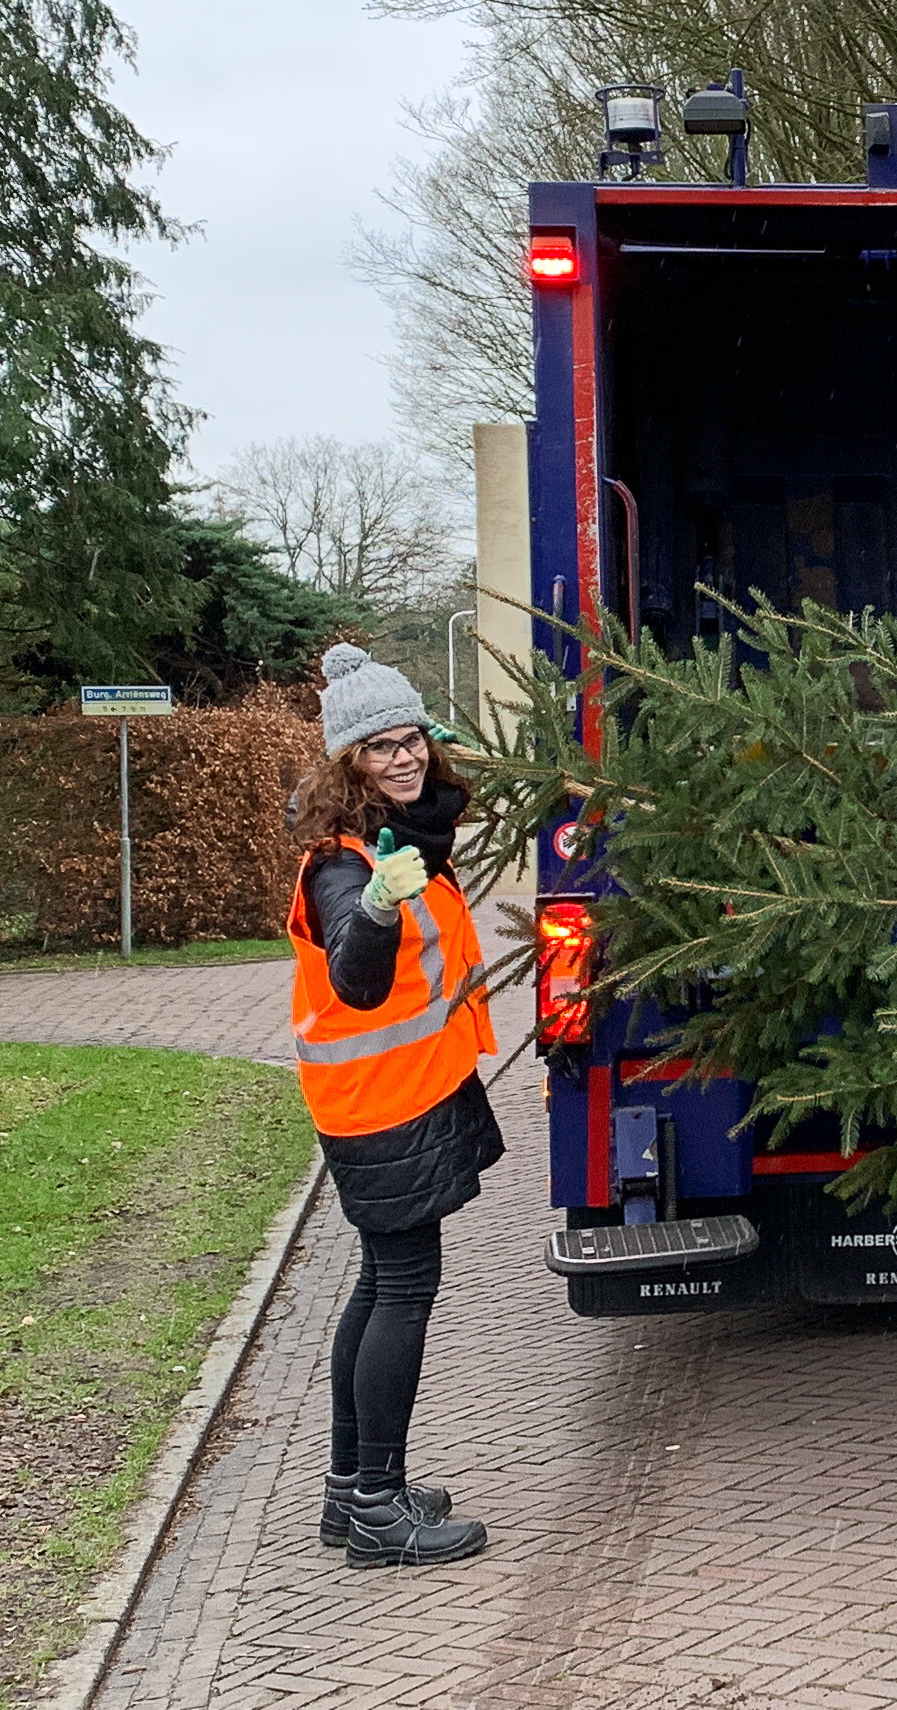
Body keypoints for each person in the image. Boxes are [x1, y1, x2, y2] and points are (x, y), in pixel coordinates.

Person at [286, 642, 503, 1567]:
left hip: (400, 1093)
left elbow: (438, 827)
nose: (405, 757)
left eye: (413, 738)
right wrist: (375, 908)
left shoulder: (404, 837)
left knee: (380, 1284)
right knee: (403, 1290)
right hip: (382, 1105)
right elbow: (357, 977)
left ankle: (350, 1493)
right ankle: (378, 1505)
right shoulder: (344, 869)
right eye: (380, 747)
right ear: (349, 765)